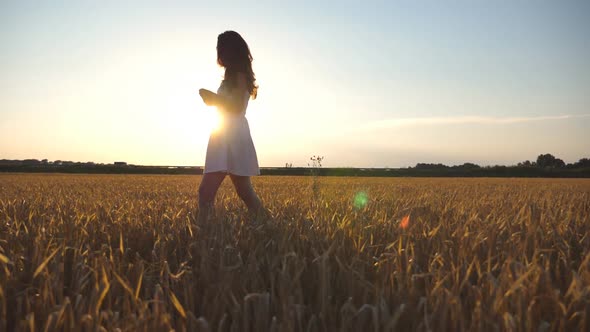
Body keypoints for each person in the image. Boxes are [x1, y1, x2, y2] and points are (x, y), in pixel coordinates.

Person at [197, 30, 264, 224]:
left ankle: (204, 233)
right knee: (244, 191)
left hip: (230, 134)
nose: (219, 53)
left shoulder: (238, 73)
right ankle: (266, 224)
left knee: (206, 192)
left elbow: (236, 106)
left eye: (221, 48)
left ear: (230, 50)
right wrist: (215, 100)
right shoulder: (234, 74)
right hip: (229, 133)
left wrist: (213, 99)